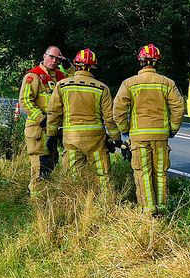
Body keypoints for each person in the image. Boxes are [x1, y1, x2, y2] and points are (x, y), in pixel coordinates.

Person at [113, 44, 185, 214]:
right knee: (160, 173)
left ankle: (147, 209)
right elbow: (178, 108)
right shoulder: (168, 83)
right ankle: (162, 208)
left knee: (142, 172)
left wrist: (125, 130)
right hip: (161, 137)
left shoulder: (129, 83)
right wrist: (172, 129)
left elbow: (118, 110)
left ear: (140, 62)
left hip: (139, 138)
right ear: (157, 62)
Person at [47, 48, 120, 195]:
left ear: (76, 64)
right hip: (96, 140)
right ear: (93, 66)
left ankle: (78, 205)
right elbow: (109, 118)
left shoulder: (62, 85)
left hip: (72, 138)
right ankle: (104, 205)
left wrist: (51, 135)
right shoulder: (102, 88)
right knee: (102, 176)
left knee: (74, 175)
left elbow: (53, 113)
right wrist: (116, 139)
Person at [18, 46, 66, 195]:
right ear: (44, 56)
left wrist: (68, 66)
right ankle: (37, 203)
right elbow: (25, 100)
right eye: (51, 57)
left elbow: (77, 79)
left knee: (51, 164)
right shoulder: (33, 76)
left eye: (57, 59)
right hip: (38, 128)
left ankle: (42, 196)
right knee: (40, 166)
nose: (53, 61)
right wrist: (41, 118)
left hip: (54, 129)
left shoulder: (60, 76)